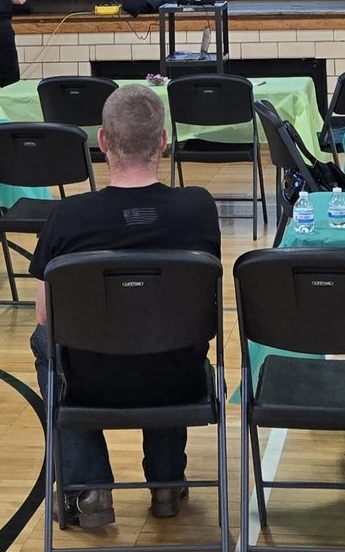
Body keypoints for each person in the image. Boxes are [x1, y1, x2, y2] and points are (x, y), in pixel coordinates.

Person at [27, 85, 220, 528]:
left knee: (45, 341)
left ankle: (88, 488)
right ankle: (167, 482)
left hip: (91, 384)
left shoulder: (67, 217)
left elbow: (45, 315)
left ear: (102, 141)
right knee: (165, 326)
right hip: (178, 381)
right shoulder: (198, 208)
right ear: (163, 141)